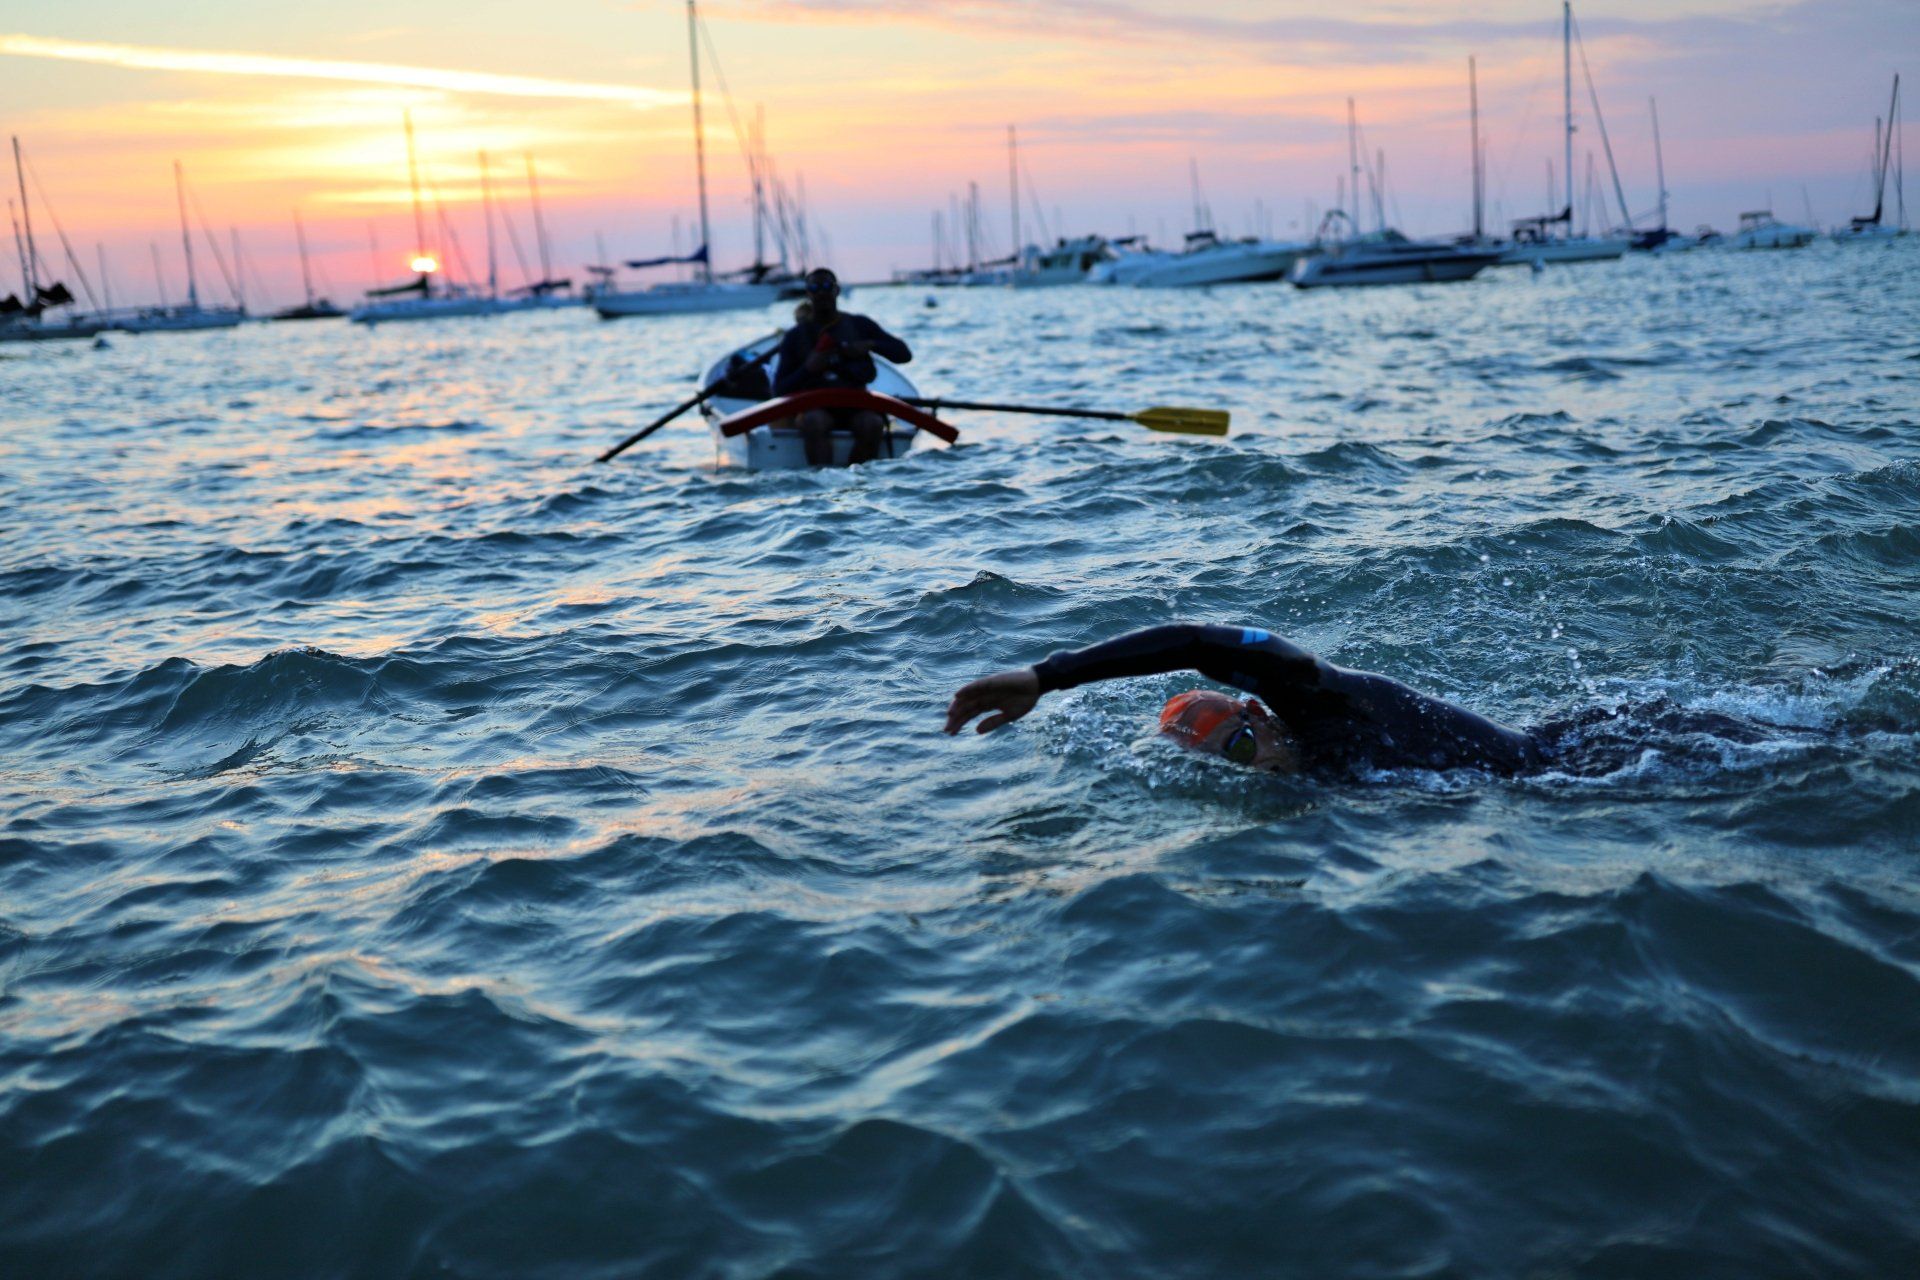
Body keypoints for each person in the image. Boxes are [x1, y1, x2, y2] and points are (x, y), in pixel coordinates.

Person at [944, 623, 1547, 776]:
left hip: (1573, 766)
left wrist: (1048, 677)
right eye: (1227, 769)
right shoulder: (1309, 778)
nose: (1254, 770)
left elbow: (1196, 640)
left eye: (1239, 748)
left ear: (1257, 713)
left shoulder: (1323, 702)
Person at [770, 267, 913, 466]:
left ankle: (857, 485)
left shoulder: (859, 325)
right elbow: (779, 389)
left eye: (827, 286)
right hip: (813, 408)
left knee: (872, 423)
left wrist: (871, 345)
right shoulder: (795, 336)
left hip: (856, 407)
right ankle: (822, 481)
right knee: (815, 421)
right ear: (808, 293)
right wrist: (808, 369)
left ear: (836, 290)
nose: (822, 292)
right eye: (815, 287)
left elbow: (903, 355)